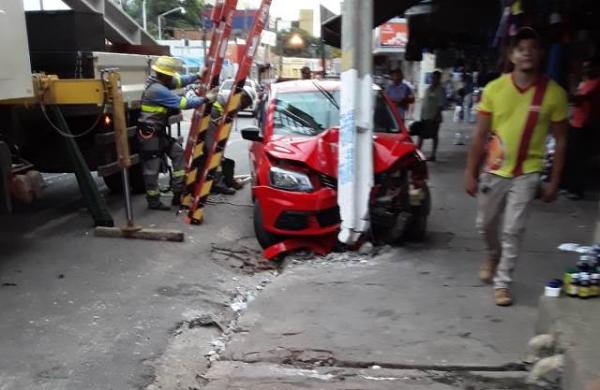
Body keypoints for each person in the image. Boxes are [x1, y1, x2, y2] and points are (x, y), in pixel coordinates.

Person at [464, 27, 568, 306]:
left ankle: (503, 283)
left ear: (540, 54)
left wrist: (554, 182)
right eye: (521, 48)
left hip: (527, 173)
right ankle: (492, 254)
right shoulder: (494, 90)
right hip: (494, 169)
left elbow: (561, 140)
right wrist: (470, 172)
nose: (527, 53)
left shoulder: (553, 94)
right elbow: (480, 135)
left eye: (532, 48)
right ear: (511, 55)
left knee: (513, 230)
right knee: (484, 224)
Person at [138, 56, 218, 210]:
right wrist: (205, 99)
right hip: (149, 135)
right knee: (152, 169)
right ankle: (153, 201)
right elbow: (183, 103)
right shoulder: (157, 90)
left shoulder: (160, 82)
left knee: (178, 154)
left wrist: (197, 76)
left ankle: (178, 193)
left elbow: (180, 81)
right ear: (164, 75)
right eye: (170, 75)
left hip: (157, 132)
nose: (172, 78)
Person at [203, 86, 255, 195]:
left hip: (213, 114)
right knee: (214, 151)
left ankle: (215, 180)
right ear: (244, 97)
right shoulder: (237, 101)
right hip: (214, 115)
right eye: (248, 102)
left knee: (213, 151)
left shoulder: (232, 96)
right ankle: (217, 184)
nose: (246, 106)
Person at [563, 57, 600, 200]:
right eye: (585, 67)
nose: (587, 70)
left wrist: (570, 89)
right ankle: (571, 187)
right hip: (576, 123)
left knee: (580, 159)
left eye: (589, 67)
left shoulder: (595, 83)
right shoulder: (585, 82)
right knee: (573, 157)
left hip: (585, 125)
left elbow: (578, 99)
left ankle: (577, 190)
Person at [418, 70, 446, 161]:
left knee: (434, 135)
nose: (433, 80)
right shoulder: (428, 89)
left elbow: (441, 105)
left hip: (434, 118)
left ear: (438, 79)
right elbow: (424, 103)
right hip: (425, 116)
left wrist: (435, 117)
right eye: (432, 78)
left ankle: (433, 154)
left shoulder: (440, 90)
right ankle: (418, 152)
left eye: (435, 78)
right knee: (421, 135)